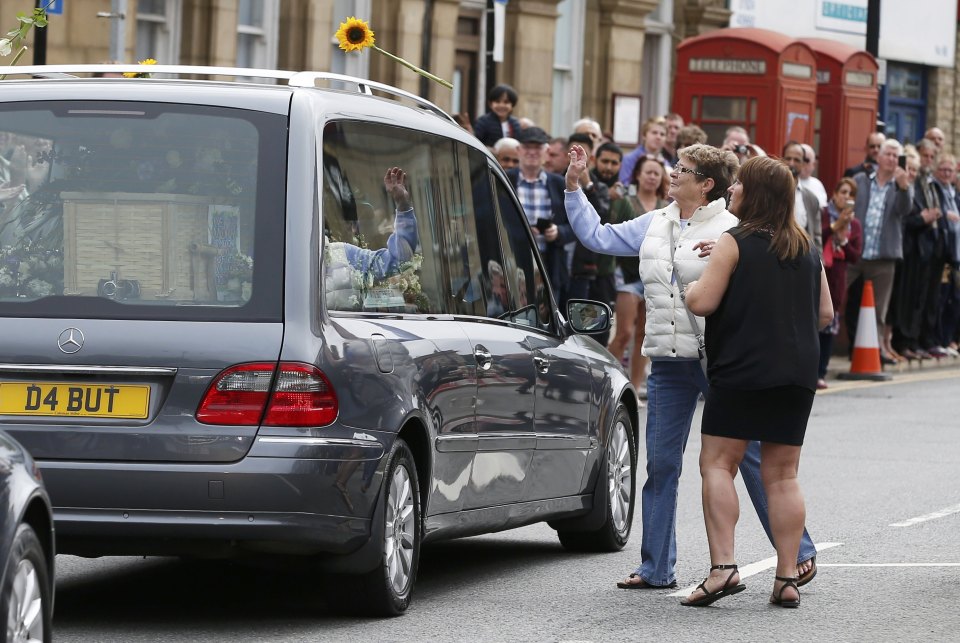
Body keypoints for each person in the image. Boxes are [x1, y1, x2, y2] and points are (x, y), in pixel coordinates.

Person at [563, 143, 818, 591]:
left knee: (754, 461)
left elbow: (772, 277)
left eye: (683, 169)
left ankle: (798, 554)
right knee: (661, 465)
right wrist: (573, 187)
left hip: (719, 359)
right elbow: (598, 237)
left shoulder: (735, 227)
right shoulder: (656, 222)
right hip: (667, 359)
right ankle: (656, 567)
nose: (672, 173)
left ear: (707, 184)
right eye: (675, 166)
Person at [680, 156, 833, 608]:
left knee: (717, 465)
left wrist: (689, 287)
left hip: (742, 369)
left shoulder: (733, 241)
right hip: (797, 374)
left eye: (739, 184)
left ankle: (723, 568)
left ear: (756, 193)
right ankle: (786, 577)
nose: (731, 191)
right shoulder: (805, 245)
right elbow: (825, 313)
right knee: (783, 477)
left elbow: (703, 302)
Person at [606, 156, 669, 400]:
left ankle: (633, 387)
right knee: (623, 333)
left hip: (654, 275)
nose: (652, 177)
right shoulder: (625, 202)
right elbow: (614, 233)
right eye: (648, 172)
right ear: (638, 175)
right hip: (628, 274)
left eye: (656, 173)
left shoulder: (667, 205)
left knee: (644, 335)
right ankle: (608, 381)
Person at [845, 138, 912, 361]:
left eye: (896, 155)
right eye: (888, 154)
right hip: (855, 253)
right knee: (834, 296)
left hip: (884, 257)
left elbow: (905, 211)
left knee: (879, 310)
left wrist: (904, 188)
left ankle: (874, 352)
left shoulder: (901, 185)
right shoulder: (860, 180)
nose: (892, 159)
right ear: (879, 157)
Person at [507, 126, 576, 308]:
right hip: (512, 262)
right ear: (518, 150)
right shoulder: (505, 180)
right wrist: (520, 231)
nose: (532, 152)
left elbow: (576, 225)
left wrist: (558, 232)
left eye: (537, 147)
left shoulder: (559, 184)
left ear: (546, 151)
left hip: (548, 264)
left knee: (549, 322)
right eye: (527, 146)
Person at [818, 178, 863, 389]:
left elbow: (855, 255)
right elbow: (818, 236)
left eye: (851, 194)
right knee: (815, 323)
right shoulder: (823, 214)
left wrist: (844, 240)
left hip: (838, 275)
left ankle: (821, 372)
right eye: (843, 192)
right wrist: (836, 226)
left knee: (831, 323)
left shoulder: (855, 224)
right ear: (834, 194)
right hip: (820, 271)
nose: (846, 197)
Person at [781, 141, 823, 250]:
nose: (791, 163)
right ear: (782, 160)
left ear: (803, 164)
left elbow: (817, 236)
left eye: (796, 160)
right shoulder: (769, 192)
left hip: (802, 258)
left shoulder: (811, 199)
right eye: (788, 158)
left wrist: (819, 263)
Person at [618, 116, 670, 184]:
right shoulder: (629, 159)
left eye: (662, 134)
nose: (658, 137)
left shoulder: (665, 163)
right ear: (644, 135)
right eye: (654, 133)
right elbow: (624, 184)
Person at [472, 84, 522, 148]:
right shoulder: (483, 122)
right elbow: (476, 143)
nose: (501, 105)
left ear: (512, 105)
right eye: (497, 101)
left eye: (506, 102)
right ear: (490, 104)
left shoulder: (515, 123)